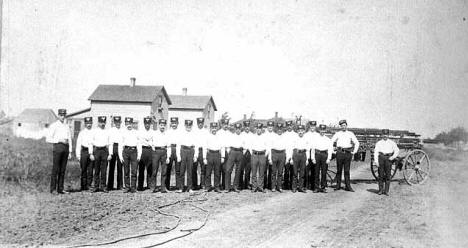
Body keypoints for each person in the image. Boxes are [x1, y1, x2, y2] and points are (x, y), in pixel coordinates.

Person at [47, 109, 72, 194]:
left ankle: (60, 188)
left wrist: (70, 151)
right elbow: (48, 139)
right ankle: (53, 189)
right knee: (56, 169)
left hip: (66, 149)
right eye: (61, 115)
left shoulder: (67, 126)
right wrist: (59, 140)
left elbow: (69, 139)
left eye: (64, 115)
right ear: (58, 115)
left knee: (62, 170)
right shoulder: (54, 125)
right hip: (57, 148)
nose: (62, 117)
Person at [331, 119, 360, 192]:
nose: (343, 127)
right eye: (342, 126)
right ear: (340, 126)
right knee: (339, 170)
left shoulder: (350, 133)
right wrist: (333, 151)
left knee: (347, 170)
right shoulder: (337, 134)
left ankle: (348, 186)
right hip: (339, 153)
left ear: (346, 126)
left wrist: (354, 151)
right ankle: (338, 186)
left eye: (344, 125)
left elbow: (357, 143)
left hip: (347, 153)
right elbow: (331, 142)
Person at [88, 116, 112, 193]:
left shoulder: (107, 131)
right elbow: (90, 143)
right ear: (98, 122)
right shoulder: (94, 131)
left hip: (105, 151)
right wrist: (91, 153)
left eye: (104, 122)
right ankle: (96, 186)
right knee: (97, 169)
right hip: (97, 150)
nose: (102, 124)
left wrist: (110, 154)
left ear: (105, 122)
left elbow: (110, 143)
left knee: (104, 170)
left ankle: (103, 186)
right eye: (101, 122)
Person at [119, 117, 141, 193]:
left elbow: (139, 144)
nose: (129, 125)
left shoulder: (136, 132)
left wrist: (139, 155)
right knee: (126, 170)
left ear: (132, 124)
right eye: (127, 124)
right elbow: (120, 145)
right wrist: (120, 156)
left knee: (134, 171)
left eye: (130, 123)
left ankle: (133, 187)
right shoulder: (123, 132)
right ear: (125, 124)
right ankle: (127, 187)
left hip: (134, 151)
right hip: (125, 151)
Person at [373, 129, 399, 196]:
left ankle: (386, 191)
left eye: (386, 134)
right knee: (380, 175)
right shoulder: (378, 143)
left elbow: (397, 151)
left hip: (388, 159)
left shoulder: (392, 143)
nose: (385, 136)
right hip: (381, 158)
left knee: (388, 175)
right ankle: (380, 190)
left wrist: (392, 157)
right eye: (384, 134)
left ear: (388, 135)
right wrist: (376, 161)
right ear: (382, 135)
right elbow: (376, 152)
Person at [150, 119, 171, 193]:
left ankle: (163, 187)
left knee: (164, 171)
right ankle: (153, 187)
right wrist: (152, 146)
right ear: (159, 125)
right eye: (161, 125)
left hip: (164, 151)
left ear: (165, 126)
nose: (162, 126)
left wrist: (168, 156)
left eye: (164, 125)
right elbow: (149, 140)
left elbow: (169, 146)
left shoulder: (167, 134)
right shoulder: (154, 133)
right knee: (154, 170)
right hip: (156, 152)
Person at [177, 120, 198, 193]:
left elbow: (196, 146)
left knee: (190, 170)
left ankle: (190, 188)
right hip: (183, 150)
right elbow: (178, 145)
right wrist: (178, 155)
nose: (188, 127)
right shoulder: (181, 133)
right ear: (185, 125)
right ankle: (181, 187)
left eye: (190, 126)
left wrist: (195, 155)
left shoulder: (194, 134)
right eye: (187, 125)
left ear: (191, 126)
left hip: (191, 151)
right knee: (182, 170)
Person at [203, 122, 225, 193]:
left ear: (217, 128)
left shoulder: (220, 136)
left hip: (217, 154)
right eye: (212, 128)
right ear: (210, 128)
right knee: (208, 172)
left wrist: (222, 157)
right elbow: (204, 147)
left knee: (217, 172)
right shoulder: (207, 136)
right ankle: (207, 186)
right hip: (210, 154)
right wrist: (204, 158)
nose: (214, 129)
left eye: (215, 128)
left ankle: (217, 187)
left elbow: (222, 147)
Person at [311, 124, 333, 193]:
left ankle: (323, 187)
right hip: (317, 155)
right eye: (321, 130)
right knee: (316, 172)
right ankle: (316, 187)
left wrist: (329, 158)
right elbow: (313, 149)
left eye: (323, 130)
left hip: (324, 155)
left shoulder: (327, 139)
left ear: (325, 130)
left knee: (324, 172)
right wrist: (313, 158)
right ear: (319, 130)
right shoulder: (315, 138)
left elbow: (330, 149)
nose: (322, 131)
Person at [249, 123, 269, 193]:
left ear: (262, 129)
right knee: (254, 172)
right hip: (254, 155)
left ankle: (260, 187)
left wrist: (265, 155)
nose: (258, 130)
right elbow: (250, 146)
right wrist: (253, 153)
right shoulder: (253, 137)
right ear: (256, 129)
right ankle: (254, 187)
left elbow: (268, 147)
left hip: (262, 155)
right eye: (257, 128)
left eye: (260, 128)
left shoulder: (265, 137)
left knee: (261, 172)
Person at [225, 123, 245, 192]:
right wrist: (230, 152)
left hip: (240, 152)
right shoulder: (231, 136)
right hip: (232, 151)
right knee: (228, 169)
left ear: (241, 129)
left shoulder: (243, 136)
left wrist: (242, 152)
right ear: (235, 129)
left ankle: (235, 186)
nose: (238, 130)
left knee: (238, 170)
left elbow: (245, 145)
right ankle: (227, 187)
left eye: (239, 129)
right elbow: (227, 146)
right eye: (237, 129)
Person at [75, 117, 94, 191]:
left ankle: (89, 185)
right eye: (87, 123)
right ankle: (83, 185)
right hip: (84, 151)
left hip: (91, 152)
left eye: (90, 123)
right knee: (83, 169)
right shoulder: (82, 133)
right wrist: (78, 155)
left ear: (92, 123)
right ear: (85, 124)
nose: (89, 125)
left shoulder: (93, 132)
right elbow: (78, 145)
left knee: (90, 169)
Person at [290, 124, 309, 193]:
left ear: (304, 131)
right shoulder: (294, 139)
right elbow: (291, 149)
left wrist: (307, 159)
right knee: (295, 173)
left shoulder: (306, 139)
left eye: (302, 130)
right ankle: (294, 187)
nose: (300, 132)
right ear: (297, 131)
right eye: (299, 130)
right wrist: (291, 158)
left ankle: (300, 187)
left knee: (302, 173)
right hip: (296, 154)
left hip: (303, 155)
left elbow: (307, 150)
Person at [270, 122, 287, 192]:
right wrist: (269, 158)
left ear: (282, 129)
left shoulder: (285, 137)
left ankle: (279, 186)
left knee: (280, 172)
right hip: (275, 153)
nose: (279, 130)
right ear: (276, 129)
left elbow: (287, 147)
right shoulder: (273, 136)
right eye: (278, 128)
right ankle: (273, 186)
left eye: (281, 128)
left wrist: (287, 157)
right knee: (274, 172)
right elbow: (269, 147)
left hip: (282, 154)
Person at [137, 117, 153, 191]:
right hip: (142, 149)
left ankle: (149, 185)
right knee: (141, 168)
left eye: (148, 124)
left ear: (150, 124)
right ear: (144, 124)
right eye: (146, 124)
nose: (147, 125)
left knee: (150, 168)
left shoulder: (152, 132)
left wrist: (146, 141)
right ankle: (140, 186)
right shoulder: (140, 132)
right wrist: (148, 141)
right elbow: (140, 141)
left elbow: (152, 142)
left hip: (150, 150)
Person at [107, 116, 124, 191]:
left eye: (119, 122)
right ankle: (110, 185)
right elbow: (109, 141)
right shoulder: (111, 130)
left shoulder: (123, 130)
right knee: (112, 166)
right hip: (113, 147)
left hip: (120, 147)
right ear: (114, 123)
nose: (117, 124)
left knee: (120, 167)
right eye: (116, 122)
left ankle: (120, 185)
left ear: (120, 122)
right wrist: (110, 152)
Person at [193, 117, 207, 190]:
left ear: (203, 123)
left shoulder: (206, 132)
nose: (200, 124)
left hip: (203, 151)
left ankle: (203, 184)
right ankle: (194, 185)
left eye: (201, 123)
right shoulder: (194, 131)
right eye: (199, 123)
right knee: (194, 168)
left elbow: (207, 143)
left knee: (203, 169)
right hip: (195, 150)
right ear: (197, 123)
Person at [166, 117, 180, 190]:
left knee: (178, 169)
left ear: (177, 123)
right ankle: (167, 186)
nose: (174, 124)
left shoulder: (180, 132)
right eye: (173, 123)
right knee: (168, 168)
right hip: (170, 149)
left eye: (175, 123)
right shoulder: (168, 132)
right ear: (171, 123)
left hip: (177, 149)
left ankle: (178, 186)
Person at [305, 121, 319, 190]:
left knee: (315, 170)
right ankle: (306, 185)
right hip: (308, 152)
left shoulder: (317, 135)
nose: (312, 127)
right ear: (309, 126)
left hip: (315, 153)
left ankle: (313, 186)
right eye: (311, 126)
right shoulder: (306, 135)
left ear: (315, 126)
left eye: (314, 126)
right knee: (306, 170)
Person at [240, 120, 252, 189]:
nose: (247, 128)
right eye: (246, 126)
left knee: (248, 170)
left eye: (248, 126)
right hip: (243, 153)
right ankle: (240, 184)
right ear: (244, 127)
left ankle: (247, 183)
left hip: (249, 153)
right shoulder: (241, 135)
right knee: (241, 169)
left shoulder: (252, 135)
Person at [283, 120, 294, 189]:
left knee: (293, 171)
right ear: (286, 126)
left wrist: (292, 157)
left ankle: (292, 185)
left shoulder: (295, 135)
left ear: (292, 126)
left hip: (293, 155)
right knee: (286, 171)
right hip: (286, 155)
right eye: (288, 126)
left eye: (290, 126)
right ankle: (286, 185)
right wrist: (287, 157)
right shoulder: (284, 135)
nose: (289, 127)